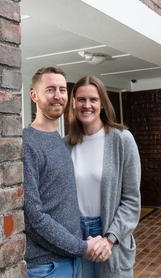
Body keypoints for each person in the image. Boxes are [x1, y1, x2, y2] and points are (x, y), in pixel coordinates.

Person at [23, 67, 104, 278]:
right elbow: (34, 217)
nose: (58, 95)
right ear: (34, 95)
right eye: (50, 89)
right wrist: (83, 248)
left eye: (62, 89)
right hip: (47, 266)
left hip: (70, 259)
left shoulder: (62, 141)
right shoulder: (27, 143)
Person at [67, 75, 141, 278]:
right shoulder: (66, 144)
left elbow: (132, 201)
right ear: (73, 103)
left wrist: (110, 239)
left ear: (102, 104)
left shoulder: (122, 140)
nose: (87, 105)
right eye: (81, 99)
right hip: (77, 238)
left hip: (110, 235)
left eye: (93, 99)